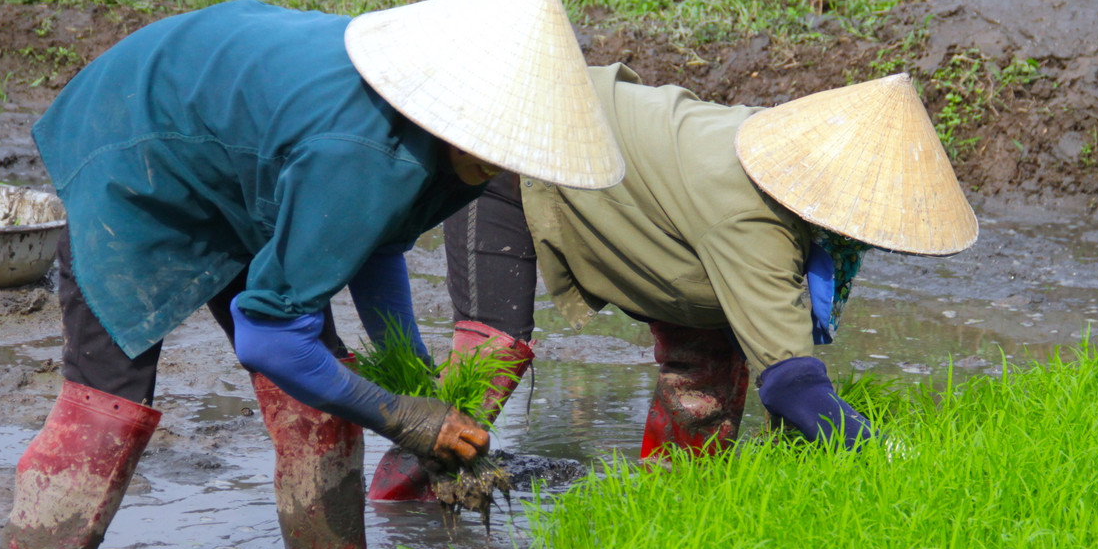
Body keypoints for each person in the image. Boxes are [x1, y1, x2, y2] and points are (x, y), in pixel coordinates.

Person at [0, 0, 625, 549]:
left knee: (321, 400)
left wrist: (416, 381)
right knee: (105, 414)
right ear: (472, 115)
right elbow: (269, 337)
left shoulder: (447, 150)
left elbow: (376, 245)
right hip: (137, 139)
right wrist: (405, 418)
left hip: (236, 155)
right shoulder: (363, 149)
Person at [368, 64, 977, 501]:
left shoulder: (776, 157)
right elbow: (793, 390)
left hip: (619, 165)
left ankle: (672, 511)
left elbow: (766, 328)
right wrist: (899, 461)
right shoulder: (750, 217)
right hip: (523, 152)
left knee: (711, 353)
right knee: (489, 357)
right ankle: (397, 506)